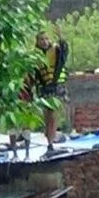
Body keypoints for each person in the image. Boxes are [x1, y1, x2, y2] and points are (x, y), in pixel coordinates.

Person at [34, 25, 69, 154]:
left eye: (46, 39)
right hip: (44, 88)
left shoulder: (56, 50)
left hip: (56, 86)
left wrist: (61, 36)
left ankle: (51, 144)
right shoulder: (35, 55)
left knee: (53, 116)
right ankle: (49, 142)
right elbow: (35, 74)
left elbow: (64, 49)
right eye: (41, 39)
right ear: (37, 42)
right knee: (47, 116)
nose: (44, 42)